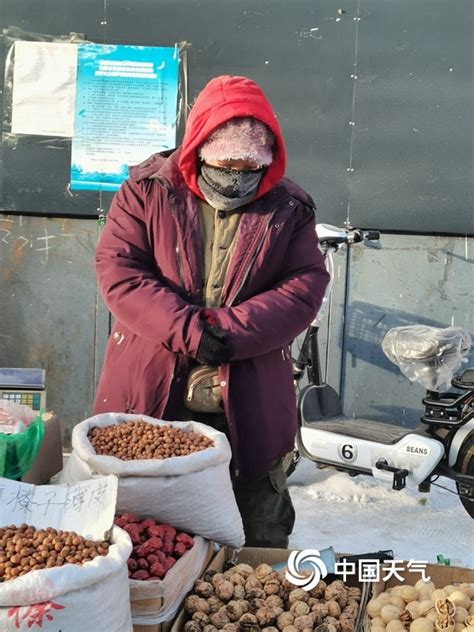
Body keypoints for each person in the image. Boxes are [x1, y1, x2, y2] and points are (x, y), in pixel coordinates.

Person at [93, 75, 330, 547]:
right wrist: (187, 330)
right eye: (225, 165)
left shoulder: (289, 206)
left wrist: (229, 332)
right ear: (199, 149)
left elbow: (304, 285)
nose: (237, 178)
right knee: (140, 537)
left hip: (249, 394)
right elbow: (120, 271)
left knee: (256, 533)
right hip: (151, 384)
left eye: (249, 168)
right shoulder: (148, 190)